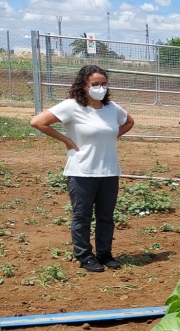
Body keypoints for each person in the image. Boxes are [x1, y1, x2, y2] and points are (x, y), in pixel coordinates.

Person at [30, 65, 134, 272]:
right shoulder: (72, 106)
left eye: (104, 83)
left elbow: (129, 122)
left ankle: (105, 254)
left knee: (106, 217)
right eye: (95, 84)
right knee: (82, 216)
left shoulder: (111, 108)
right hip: (82, 172)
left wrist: (110, 137)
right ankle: (85, 256)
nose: (100, 88)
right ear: (83, 85)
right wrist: (67, 141)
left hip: (109, 171)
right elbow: (38, 122)